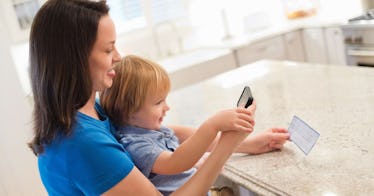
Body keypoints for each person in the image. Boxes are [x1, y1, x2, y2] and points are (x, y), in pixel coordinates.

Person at [28, 0, 289, 195]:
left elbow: (166, 133)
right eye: (108, 49)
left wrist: (247, 143)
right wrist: (226, 144)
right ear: (75, 60)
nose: (118, 57)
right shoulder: (81, 143)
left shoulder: (91, 111)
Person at [100, 55, 257, 195]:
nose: (166, 107)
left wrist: (253, 144)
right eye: (158, 102)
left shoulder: (149, 130)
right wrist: (212, 125)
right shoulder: (136, 145)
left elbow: (188, 144)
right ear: (129, 110)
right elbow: (175, 162)